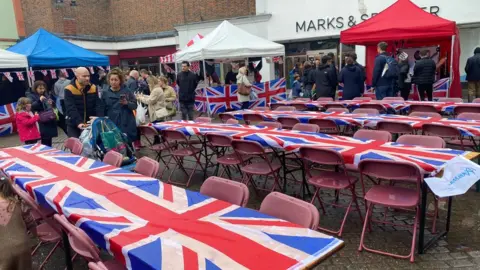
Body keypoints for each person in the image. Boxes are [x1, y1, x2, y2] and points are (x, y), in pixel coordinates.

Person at [0, 176, 37, 270]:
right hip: (22, 245)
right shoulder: (18, 203)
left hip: (2, 250)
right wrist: (35, 233)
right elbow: (30, 221)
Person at [100, 68, 138, 144]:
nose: (113, 82)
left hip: (126, 122)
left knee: (127, 144)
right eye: (111, 80)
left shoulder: (126, 91)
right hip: (112, 122)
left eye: (116, 80)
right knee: (115, 145)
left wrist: (127, 103)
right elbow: (102, 108)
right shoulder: (105, 93)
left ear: (120, 80)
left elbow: (135, 105)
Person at [64, 67, 103, 138]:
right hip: (74, 123)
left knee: (91, 147)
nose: (87, 78)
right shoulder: (69, 89)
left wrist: (98, 117)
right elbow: (70, 107)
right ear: (77, 76)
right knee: (76, 146)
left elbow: (98, 104)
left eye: (88, 76)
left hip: (90, 123)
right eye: (84, 76)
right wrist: (79, 122)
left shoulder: (93, 87)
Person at [27, 81, 58, 147]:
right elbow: (31, 106)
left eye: (43, 88)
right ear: (35, 88)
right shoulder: (30, 95)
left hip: (49, 118)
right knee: (43, 138)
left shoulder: (46, 94)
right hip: (40, 119)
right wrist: (39, 101)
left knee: (49, 138)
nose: (42, 90)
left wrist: (51, 102)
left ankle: (49, 150)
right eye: (40, 88)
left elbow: (52, 105)